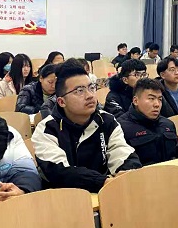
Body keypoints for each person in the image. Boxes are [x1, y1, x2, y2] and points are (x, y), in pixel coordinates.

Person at [32, 62, 141, 192]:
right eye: (80, 91)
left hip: (107, 193)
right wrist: (102, 181)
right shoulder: (47, 129)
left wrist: (127, 172)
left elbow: (122, 152)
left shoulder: (107, 120)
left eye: (91, 87)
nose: (89, 95)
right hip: (65, 198)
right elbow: (60, 172)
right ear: (61, 102)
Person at [117, 79, 178, 165]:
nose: (157, 104)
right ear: (135, 101)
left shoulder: (168, 124)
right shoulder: (121, 128)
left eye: (160, 99)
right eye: (151, 99)